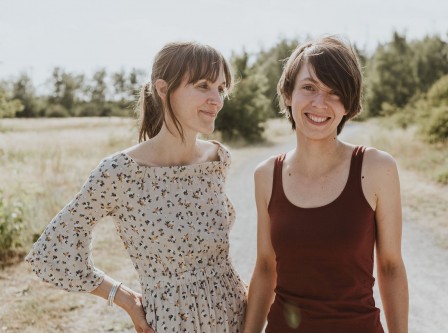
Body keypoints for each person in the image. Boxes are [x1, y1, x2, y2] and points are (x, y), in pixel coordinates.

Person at [26, 41, 247, 333]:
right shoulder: (120, 173)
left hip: (236, 315)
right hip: (172, 323)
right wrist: (124, 297)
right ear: (163, 89)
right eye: (203, 85)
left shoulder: (218, 159)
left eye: (221, 88)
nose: (216, 99)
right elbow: (51, 251)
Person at [243, 36, 409, 333]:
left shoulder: (376, 168)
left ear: (349, 105)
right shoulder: (266, 175)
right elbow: (267, 268)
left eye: (334, 93)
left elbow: (390, 266)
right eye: (309, 87)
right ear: (288, 94)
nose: (320, 103)